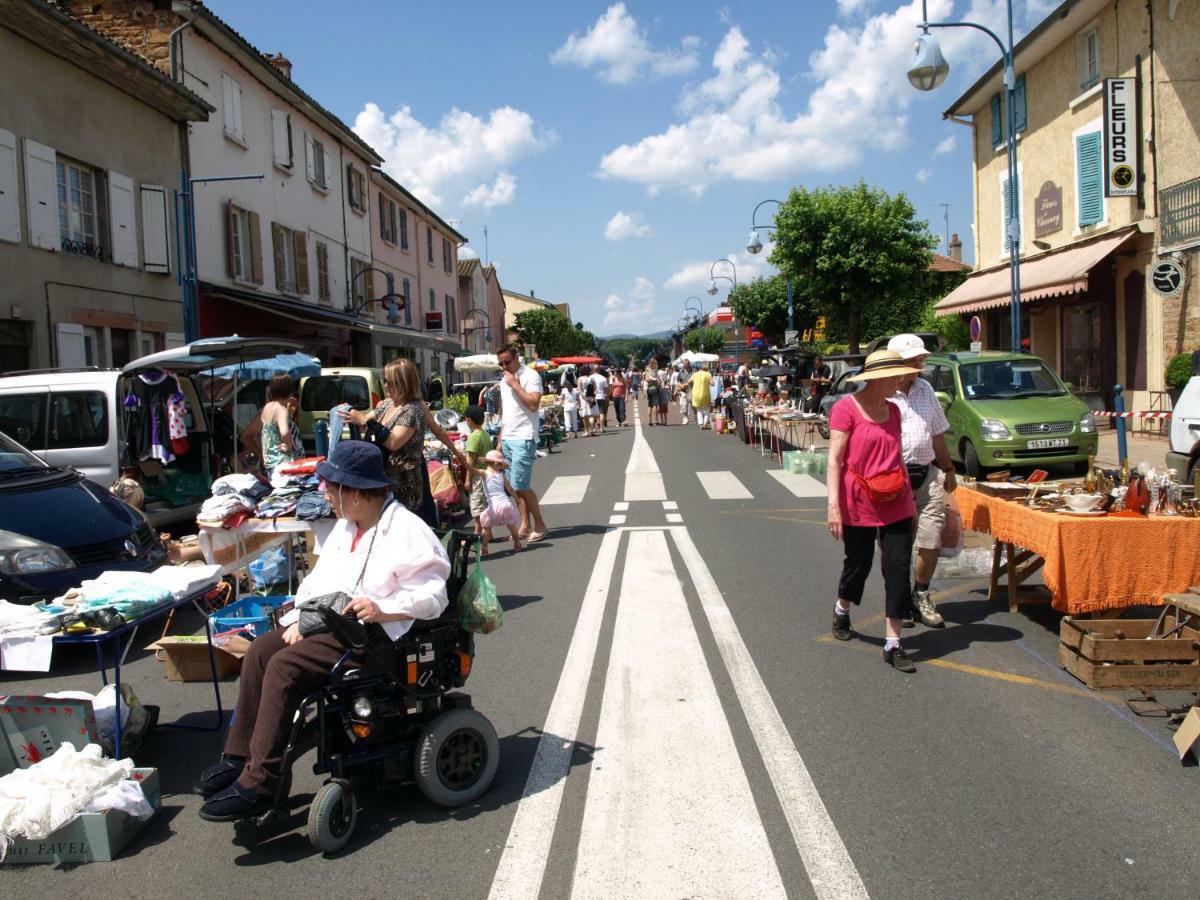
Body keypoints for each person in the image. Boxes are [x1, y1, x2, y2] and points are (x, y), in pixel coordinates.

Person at [195, 441, 451, 821]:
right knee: (261, 651)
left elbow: (434, 595)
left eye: (332, 488)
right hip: (334, 624)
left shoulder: (408, 530)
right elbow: (318, 583)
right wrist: (298, 618)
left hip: (376, 639)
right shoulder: (347, 527)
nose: (325, 493)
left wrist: (385, 607)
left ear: (357, 493)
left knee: (284, 667)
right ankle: (240, 757)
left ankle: (261, 782)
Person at [826, 349, 918, 673]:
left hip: (897, 501)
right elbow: (835, 460)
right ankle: (842, 607)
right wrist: (834, 508)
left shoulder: (893, 411)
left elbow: (897, 458)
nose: (901, 381)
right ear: (877, 379)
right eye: (896, 376)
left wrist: (911, 502)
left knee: (897, 569)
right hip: (859, 502)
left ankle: (893, 643)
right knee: (859, 563)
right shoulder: (845, 409)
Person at [886, 334, 957, 629]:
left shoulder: (926, 389)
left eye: (920, 360)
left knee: (931, 537)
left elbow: (937, 432)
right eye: (913, 361)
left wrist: (949, 468)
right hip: (891, 478)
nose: (919, 366)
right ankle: (900, 600)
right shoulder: (882, 393)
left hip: (926, 473)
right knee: (897, 546)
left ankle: (921, 595)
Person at [344, 358, 428, 515]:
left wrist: (365, 421)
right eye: (385, 381)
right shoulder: (386, 404)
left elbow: (393, 442)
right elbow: (366, 421)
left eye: (390, 382)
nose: (385, 386)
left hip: (402, 486)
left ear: (403, 383)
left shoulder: (412, 410)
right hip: (382, 481)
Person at [496, 343, 548, 541]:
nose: (504, 367)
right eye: (500, 364)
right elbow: (507, 412)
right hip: (509, 436)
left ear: (517, 358)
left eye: (507, 362)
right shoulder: (504, 379)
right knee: (513, 486)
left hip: (524, 436)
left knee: (521, 485)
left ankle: (540, 525)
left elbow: (534, 405)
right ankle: (525, 524)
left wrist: (516, 385)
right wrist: (501, 438)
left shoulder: (530, 376)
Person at [240, 374, 298, 476]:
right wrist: (287, 445)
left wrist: (261, 455)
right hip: (282, 463)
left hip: (269, 463)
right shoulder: (281, 409)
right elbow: (284, 432)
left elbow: (246, 436)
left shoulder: (267, 408)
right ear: (290, 392)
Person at [479, 450, 523, 555]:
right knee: (511, 525)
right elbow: (510, 489)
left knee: (486, 528)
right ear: (497, 464)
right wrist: (517, 499)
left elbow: (472, 470)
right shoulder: (501, 475)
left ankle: (484, 548)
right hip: (505, 504)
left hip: (493, 506)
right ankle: (517, 543)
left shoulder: (484, 473)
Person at [690, 363, 713, 429]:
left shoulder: (695, 374)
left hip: (696, 394)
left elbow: (689, 381)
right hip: (705, 394)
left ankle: (700, 424)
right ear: (707, 369)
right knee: (707, 409)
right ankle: (705, 422)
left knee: (699, 409)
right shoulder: (708, 374)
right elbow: (712, 384)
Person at [559, 374, 580, 438]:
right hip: (573, 406)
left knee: (567, 420)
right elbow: (578, 399)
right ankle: (575, 433)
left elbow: (562, 399)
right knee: (574, 419)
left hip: (567, 406)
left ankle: (568, 433)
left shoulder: (564, 390)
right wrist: (578, 405)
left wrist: (562, 403)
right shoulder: (575, 390)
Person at [581, 370, 600, 436]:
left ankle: (587, 431)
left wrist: (585, 398)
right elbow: (596, 389)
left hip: (584, 399)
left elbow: (580, 390)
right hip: (592, 397)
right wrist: (593, 397)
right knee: (591, 415)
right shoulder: (592, 379)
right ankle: (592, 430)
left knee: (585, 416)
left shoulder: (580, 379)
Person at [643, 359, 661, 426]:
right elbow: (658, 380)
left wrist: (652, 380)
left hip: (649, 388)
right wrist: (655, 381)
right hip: (654, 388)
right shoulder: (655, 370)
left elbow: (646, 379)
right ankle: (655, 420)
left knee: (650, 405)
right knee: (655, 405)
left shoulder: (647, 369)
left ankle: (649, 421)